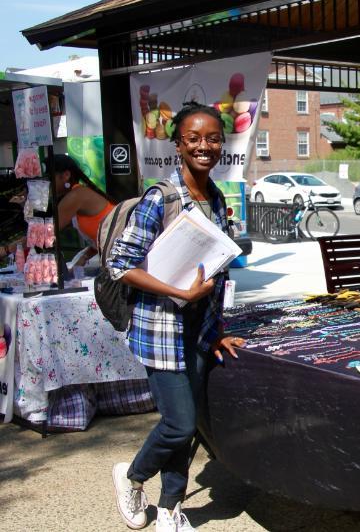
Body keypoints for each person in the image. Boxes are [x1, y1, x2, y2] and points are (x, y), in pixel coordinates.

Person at [108, 102, 245, 531]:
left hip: (199, 331)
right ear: (178, 145)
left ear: (222, 143)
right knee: (179, 423)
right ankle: (131, 477)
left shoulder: (217, 199)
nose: (204, 146)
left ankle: (170, 507)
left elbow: (215, 272)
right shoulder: (160, 198)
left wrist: (218, 330)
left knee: (188, 432)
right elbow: (119, 262)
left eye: (213, 138)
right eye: (194, 138)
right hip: (160, 330)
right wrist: (179, 292)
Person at [52, 154, 117, 265]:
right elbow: (100, 237)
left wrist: (15, 246)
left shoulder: (76, 196)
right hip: (116, 257)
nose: (47, 184)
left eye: (50, 178)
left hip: (124, 259)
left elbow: (47, 232)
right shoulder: (77, 194)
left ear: (66, 175)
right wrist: (85, 256)